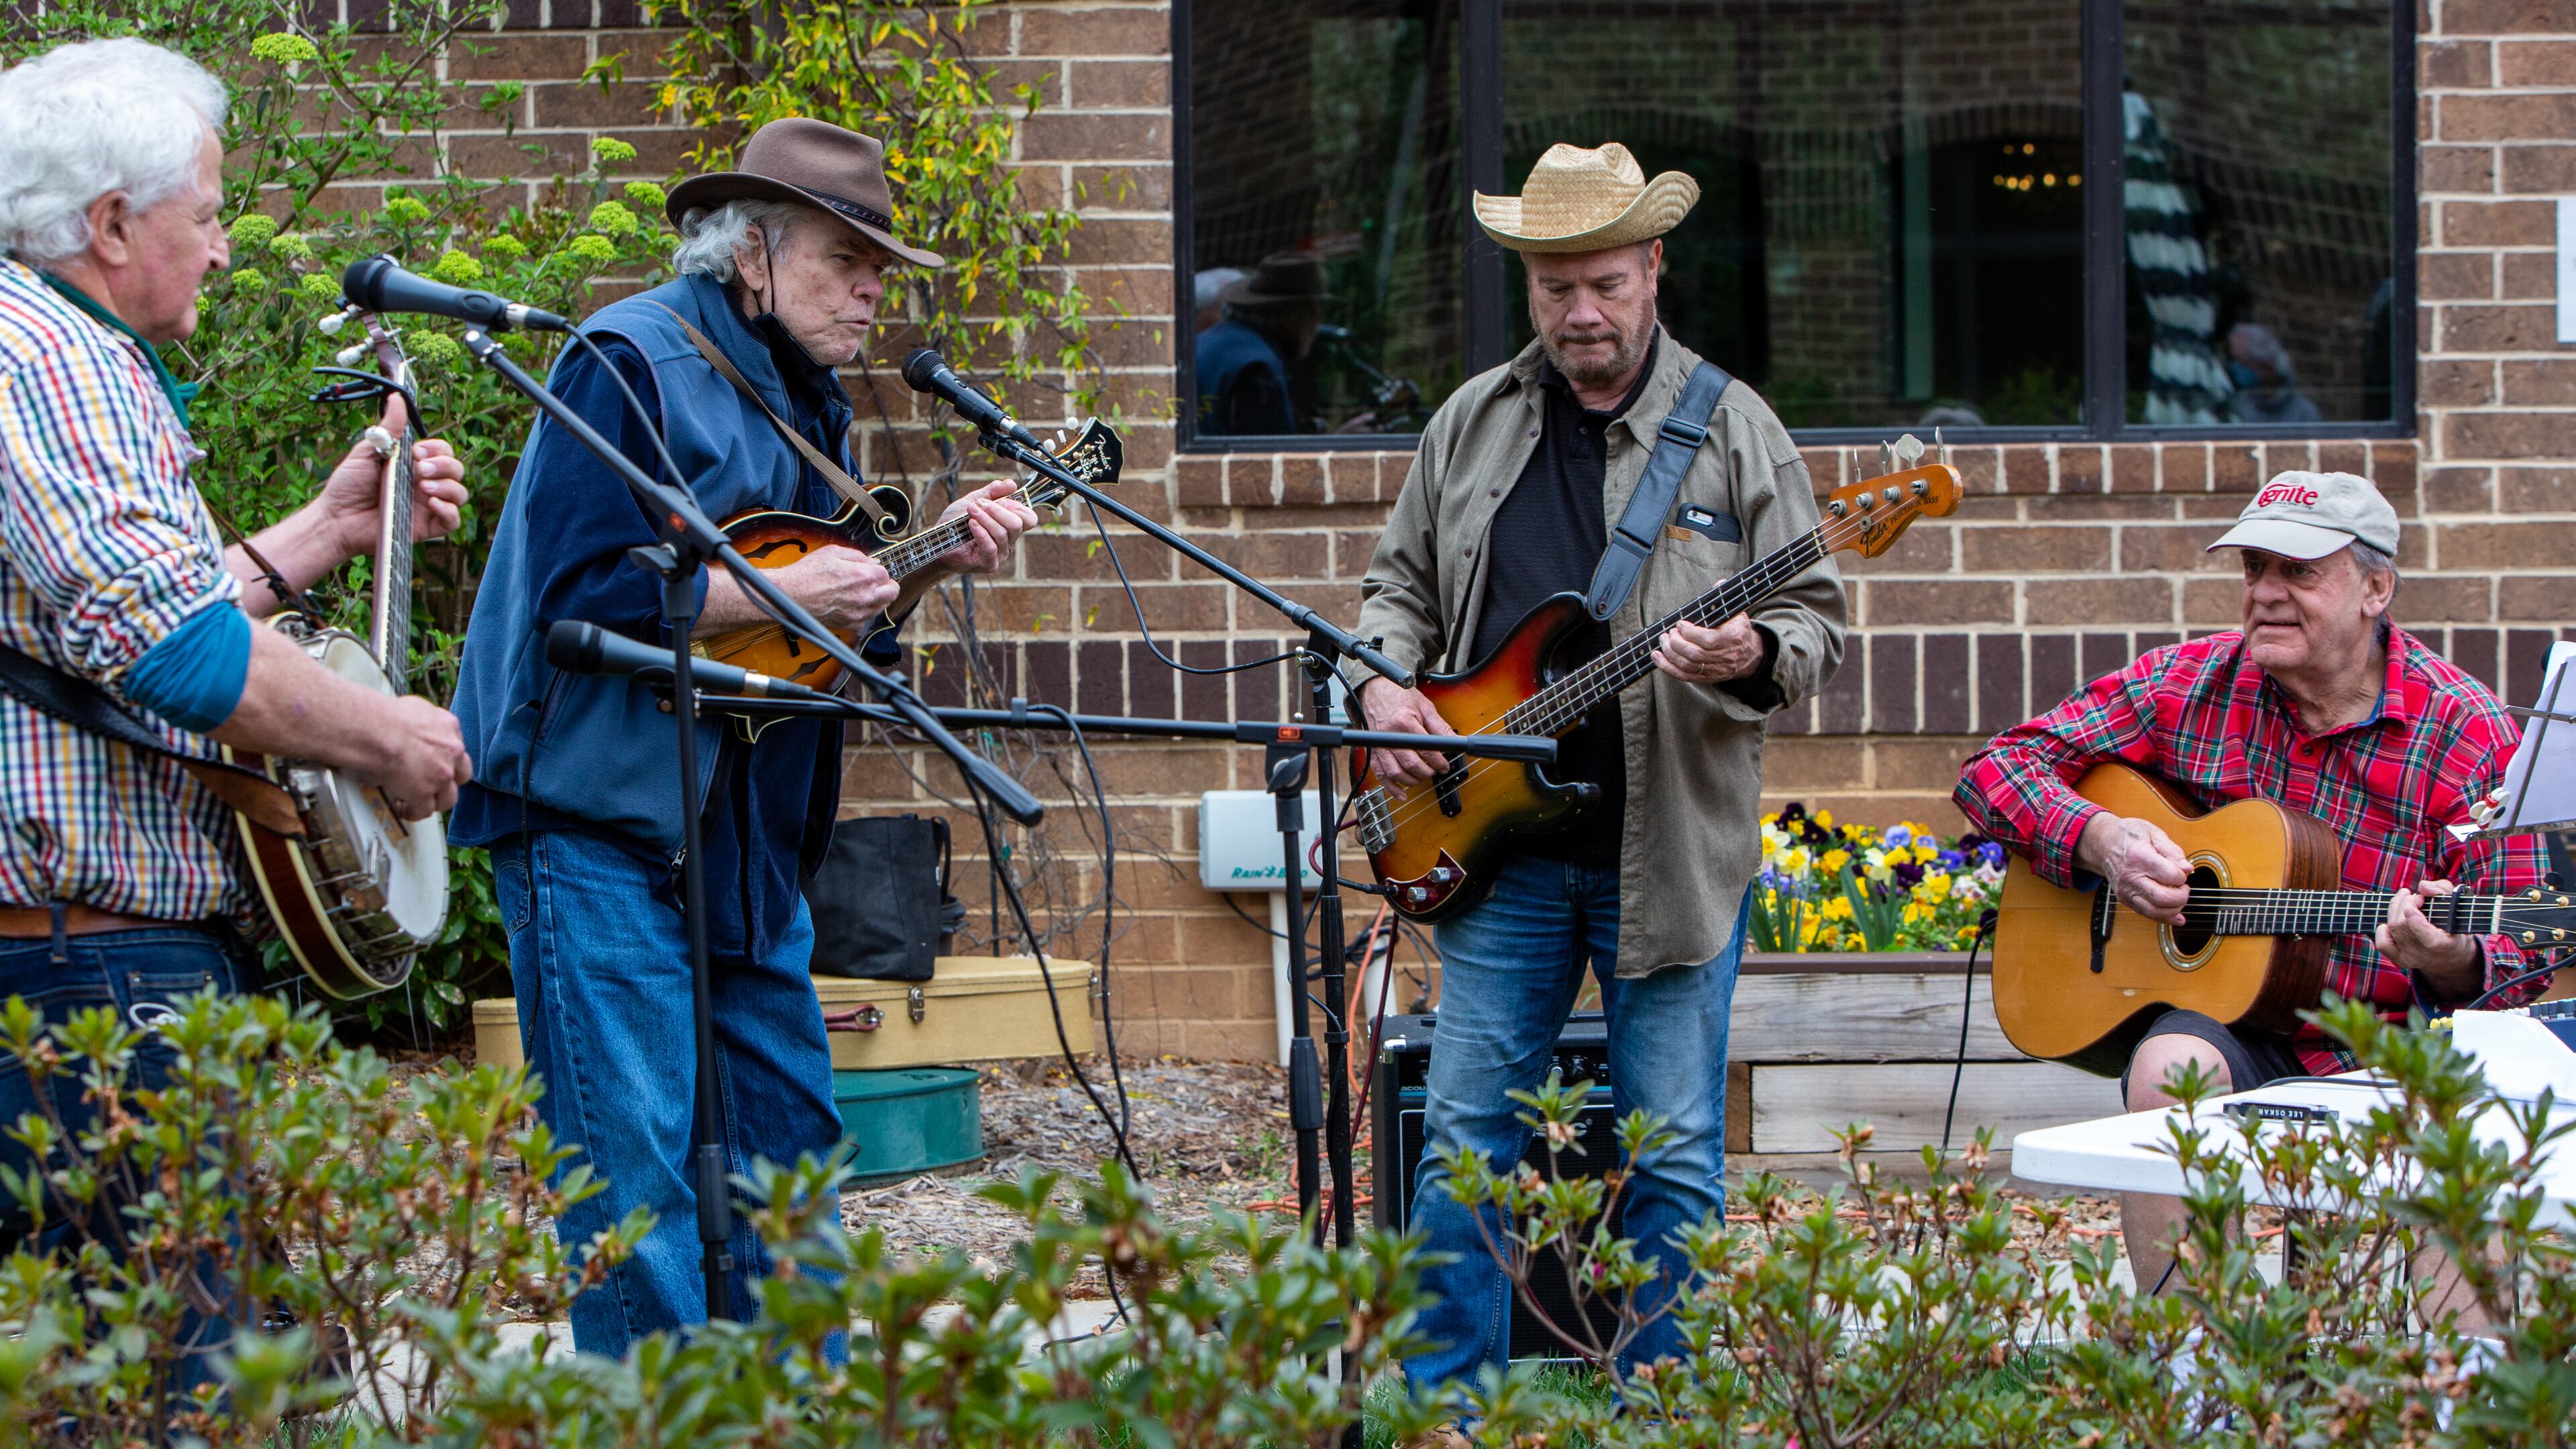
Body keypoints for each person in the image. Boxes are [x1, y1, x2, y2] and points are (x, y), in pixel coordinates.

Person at [449, 117, 1037, 1356]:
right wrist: (786, 593)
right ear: (755, 253)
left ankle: (803, 1415)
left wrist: (909, 576)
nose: (875, 288)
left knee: (794, 1160)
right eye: (847, 258)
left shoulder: (812, 405)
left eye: (881, 266)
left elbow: (814, 647)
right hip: (597, 823)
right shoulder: (629, 362)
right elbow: (578, 598)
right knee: (633, 1174)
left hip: (747, 843)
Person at [0, 34, 474, 1366]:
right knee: (179, 1386)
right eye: (204, 218)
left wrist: (325, 530)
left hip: (79, 953)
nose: (220, 249)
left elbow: (108, 618)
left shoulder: (48, 348)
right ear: (108, 225)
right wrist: (393, 737)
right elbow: (177, 655)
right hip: (80, 961)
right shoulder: (50, 361)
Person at [1354, 142, 1846, 1409]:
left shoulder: (1735, 428)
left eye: (1607, 284)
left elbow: (1818, 625)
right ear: (1530, 284)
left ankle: (1665, 1414)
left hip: (1667, 859)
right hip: (1495, 858)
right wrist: (1380, 687)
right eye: (1558, 285)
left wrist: (1749, 651)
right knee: (1466, 1141)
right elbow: (1393, 590)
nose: (1583, 311)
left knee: (1675, 1157)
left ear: (1654, 272)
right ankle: (1439, 1414)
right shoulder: (1472, 420)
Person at [1955, 470, 2546, 1295]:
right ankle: (2200, 1373)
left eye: (2298, 572)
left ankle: (2451, 1401)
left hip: (2396, 1036)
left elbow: (2521, 956)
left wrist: (2448, 958)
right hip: (2248, 1025)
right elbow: (2000, 766)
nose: (2264, 594)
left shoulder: (2465, 729)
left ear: (2377, 589)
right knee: (2169, 1067)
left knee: (2462, 1127)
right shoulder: (2191, 682)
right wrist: (2102, 838)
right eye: (2253, 570)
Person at [1193, 251, 1325, 435]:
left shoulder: (1203, 342)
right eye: (1315, 311)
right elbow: (1271, 457)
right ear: (1296, 315)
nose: (1319, 320)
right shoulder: (1259, 367)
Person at [2224, 321, 2322, 425]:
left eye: (2243, 362)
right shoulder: (2239, 406)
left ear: (2266, 366)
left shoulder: (2304, 414)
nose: (2236, 368)